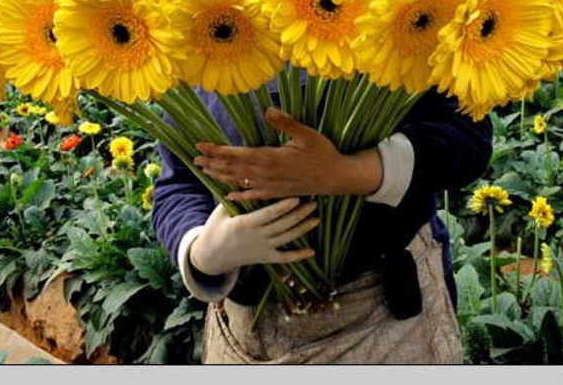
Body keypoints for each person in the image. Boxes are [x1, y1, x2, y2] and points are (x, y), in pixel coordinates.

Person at [151, 82, 493, 364]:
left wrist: (351, 172)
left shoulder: (395, 11)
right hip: (244, 332)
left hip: (382, 314)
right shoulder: (193, 39)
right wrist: (202, 253)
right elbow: (177, 182)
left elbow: (466, 135)